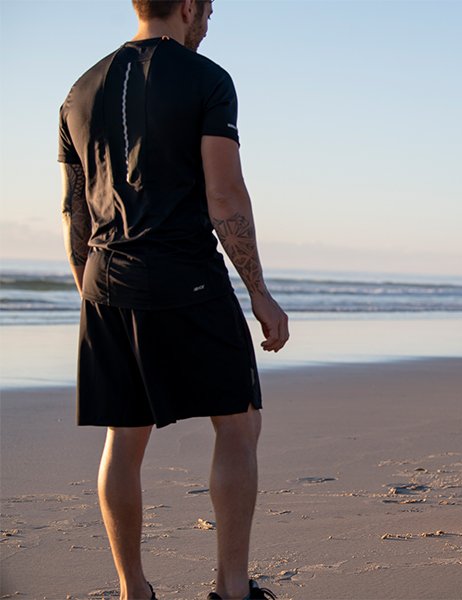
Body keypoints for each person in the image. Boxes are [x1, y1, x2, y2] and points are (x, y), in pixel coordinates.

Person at [58, 1, 288, 598]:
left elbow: (76, 215)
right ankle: (232, 590)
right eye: (208, 11)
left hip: (106, 281)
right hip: (187, 274)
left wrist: (93, 292)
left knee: (124, 438)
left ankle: (135, 591)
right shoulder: (207, 78)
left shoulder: (78, 91)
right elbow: (225, 197)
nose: (208, 23)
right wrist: (260, 293)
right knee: (238, 425)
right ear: (188, 7)